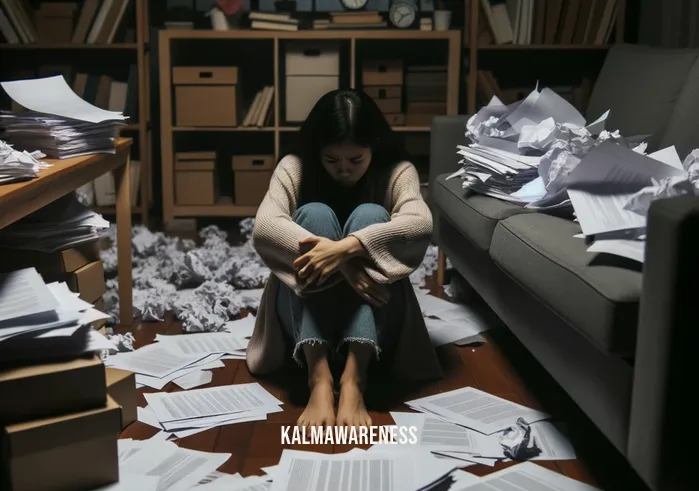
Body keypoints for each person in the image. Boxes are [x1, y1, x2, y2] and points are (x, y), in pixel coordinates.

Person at [247, 89, 442, 429]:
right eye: (332, 160)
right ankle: (318, 378)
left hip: (375, 319)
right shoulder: (295, 166)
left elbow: (420, 223)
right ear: (317, 151)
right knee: (314, 215)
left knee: (371, 214)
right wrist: (348, 266)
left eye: (356, 160)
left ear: (374, 149)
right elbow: (264, 227)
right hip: (305, 318)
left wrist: (346, 249)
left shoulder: (397, 170)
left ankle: (355, 378)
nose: (344, 171)